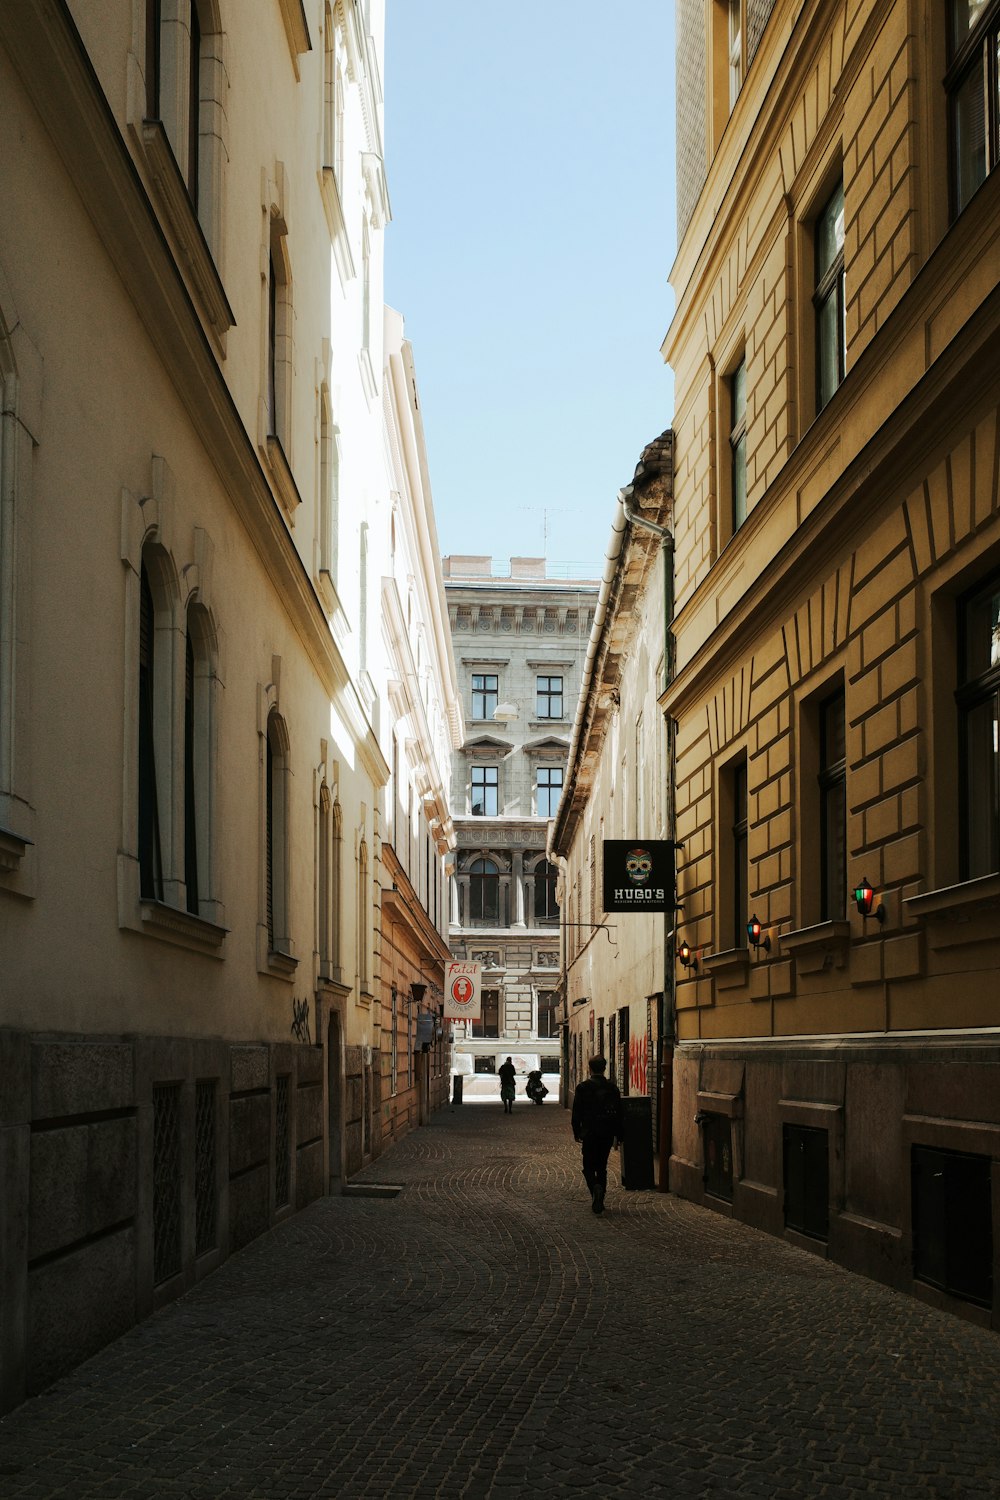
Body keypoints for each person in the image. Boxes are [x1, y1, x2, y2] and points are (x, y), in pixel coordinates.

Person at [571, 1055, 622, 1214]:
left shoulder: (583, 1087)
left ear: (590, 1068)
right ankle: (600, 1195)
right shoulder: (612, 1088)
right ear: (604, 1068)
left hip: (589, 1132)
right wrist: (618, 1134)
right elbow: (619, 1113)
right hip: (606, 1132)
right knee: (602, 1166)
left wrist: (576, 1131)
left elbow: (576, 1113)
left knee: (588, 1166)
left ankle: (595, 1188)